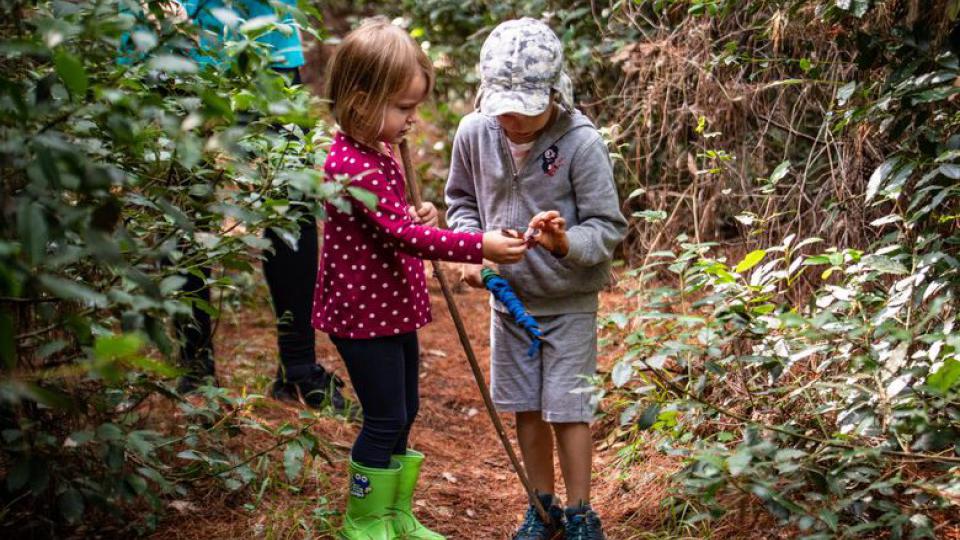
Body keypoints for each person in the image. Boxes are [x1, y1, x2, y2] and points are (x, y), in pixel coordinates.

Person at [313, 18, 529, 540]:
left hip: (390, 308)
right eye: (404, 108)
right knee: (384, 417)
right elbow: (404, 238)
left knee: (405, 410)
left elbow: (396, 226)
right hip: (363, 315)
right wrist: (479, 244)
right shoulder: (350, 163)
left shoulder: (378, 150)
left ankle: (396, 514)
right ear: (361, 100)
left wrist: (418, 215)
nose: (413, 119)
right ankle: (363, 520)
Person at [445, 18, 627, 540]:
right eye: (502, 109)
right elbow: (460, 203)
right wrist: (472, 247)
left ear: (552, 93)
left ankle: (580, 513)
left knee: (569, 410)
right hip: (510, 301)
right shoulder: (476, 132)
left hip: (569, 302)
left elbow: (607, 226)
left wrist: (564, 242)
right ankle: (540, 507)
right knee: (526, 407)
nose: (512, 121)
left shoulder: (579, 142)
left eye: (525, 111)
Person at [153, 0, 348, 411]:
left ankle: (298, 368)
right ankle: (194, 369)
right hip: (175, 51)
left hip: (267, 45)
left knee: (293, 201)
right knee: (182, 206)